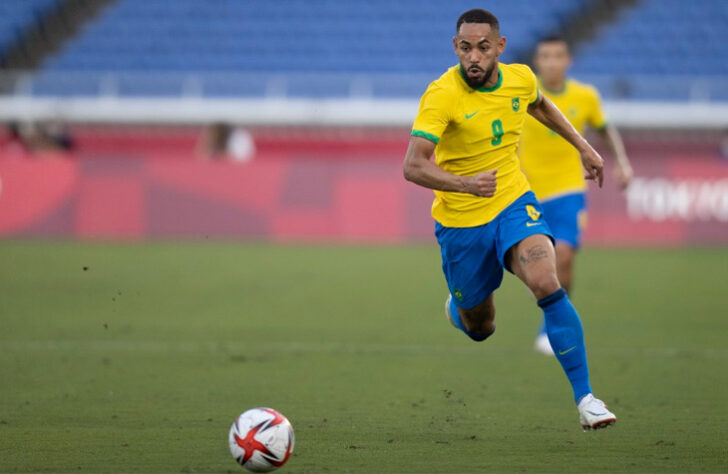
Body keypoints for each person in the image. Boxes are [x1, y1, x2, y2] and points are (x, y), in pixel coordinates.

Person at [402, 9, 616, 430]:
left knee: (546, 281)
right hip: (462, 221)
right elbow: (413, 166)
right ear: (455, 48)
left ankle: (587, 399)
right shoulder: (442, 94)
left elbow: (540, 104)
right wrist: (466, 185)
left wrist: (582, 146)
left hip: (512, 202)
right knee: (481, 325)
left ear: (499, 46)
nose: (474, 57)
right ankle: (460, 310)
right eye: (466, 48)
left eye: (483, 47)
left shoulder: (519, 78)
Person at [520, 36, 633, 356]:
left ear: (568, 61)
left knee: (564, 256)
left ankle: (549, 326)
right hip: (527, 192)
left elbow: (605, 129)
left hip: (569, 190)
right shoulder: (522, 93)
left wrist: (622, 164)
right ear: (538, 63)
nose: (552, 62)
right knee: (534, 268)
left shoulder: (585, 96)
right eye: (545, 56)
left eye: (558, 56)